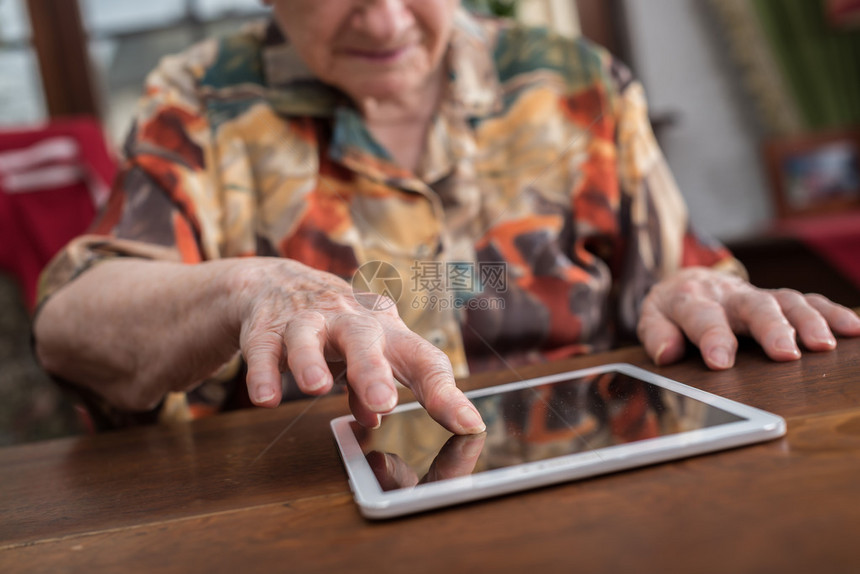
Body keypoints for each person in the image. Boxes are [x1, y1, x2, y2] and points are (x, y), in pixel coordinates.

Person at [33, 0, 860, 434]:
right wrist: (255, 287)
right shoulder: (200, 102)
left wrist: (697, 294)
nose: (388, 19)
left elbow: (680, 275)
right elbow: (72, 324)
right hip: (308, 516)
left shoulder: (575, 81)